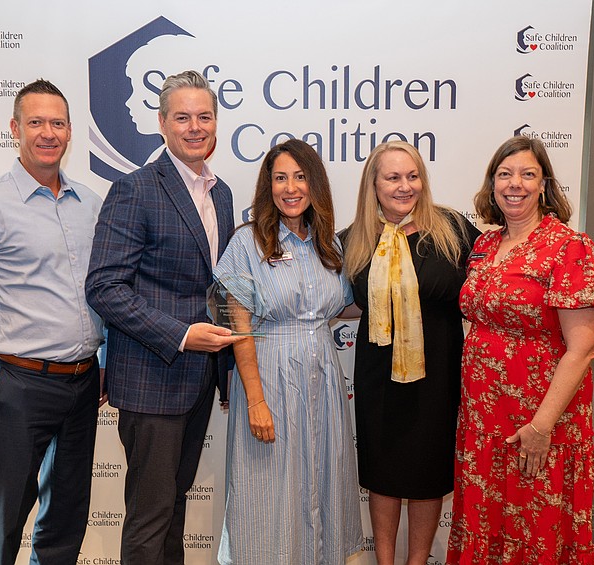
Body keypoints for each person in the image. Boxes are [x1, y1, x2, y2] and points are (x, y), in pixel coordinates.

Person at [0, 79, 104, 565]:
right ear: (14, 129)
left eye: (57, 123)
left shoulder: (91, 205)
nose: (47, 133)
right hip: (18, 385)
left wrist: (105, 360)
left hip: (83, 382)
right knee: (3, 523)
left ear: (70, 131)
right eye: (35, 122)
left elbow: (102, 294)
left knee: (67, 517)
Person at [85, 70, 242, 565]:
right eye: (182, 117)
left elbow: (215, 284)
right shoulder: (135, 189)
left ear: (216, 122)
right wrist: (179, 335)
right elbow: (104, 287)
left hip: (201, 378)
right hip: (153, 376)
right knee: (150, 516)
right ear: (161, 123)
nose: (195, 127)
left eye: (205, 116)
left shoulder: (221, 193)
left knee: (174, 506)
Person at [446, 136, 594, 564]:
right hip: (483, 418)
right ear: (491, 185)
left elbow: (584, 347)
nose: (514, 184)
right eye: (504, 174)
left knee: (534, 523)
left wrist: (541, 428)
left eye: (528, 174)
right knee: (487, 520)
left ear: (544, 185)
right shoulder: (485, 246)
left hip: (541, 417)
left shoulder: (570, 248)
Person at [214, 139, 363, 564]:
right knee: (268, 493)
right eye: (280, 178)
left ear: (315, 185)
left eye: (300, 177)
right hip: (270, 378)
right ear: (268, 186)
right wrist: (256, 401)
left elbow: (344, 303)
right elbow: (239, 329)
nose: (291, 187)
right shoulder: (247, 244)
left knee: (322, 482)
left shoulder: (328, 243)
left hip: (324, 379)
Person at [342, 141, 480, 565]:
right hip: (377, 377)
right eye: (393, 177)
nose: (405, 186)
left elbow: (493, 288)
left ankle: (417, 562)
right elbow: (334, 300)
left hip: (436, 376)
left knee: (428, 473)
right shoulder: (353, 240)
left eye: (412, 176)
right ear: (374, 184)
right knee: (383, 474)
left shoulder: (454, 230)